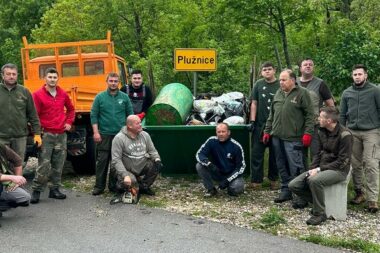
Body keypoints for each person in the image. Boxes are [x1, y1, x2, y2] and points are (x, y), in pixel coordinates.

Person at [289, 107, 353, 225]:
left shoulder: (345, 135)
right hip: (322, 167)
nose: (318, 119)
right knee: (294, 185)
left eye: (321, 117)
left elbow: (342, 161)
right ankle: (318, 201)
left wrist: (319, 170)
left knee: (314, 181)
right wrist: (312, 169)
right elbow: (317, 153)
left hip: (339, 170)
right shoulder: (321, 131)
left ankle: (319, 213)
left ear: (328, 121)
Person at [264, 69, 314, 203]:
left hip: (294, 138)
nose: (281, 82)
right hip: (277, 137)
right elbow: (272, 115)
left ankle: (301, 195)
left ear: (292, 80)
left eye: (283, 80)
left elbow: (310, 115)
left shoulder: (302, 93)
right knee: (281, 165)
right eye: (280, 79)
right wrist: (267, 131)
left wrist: (308, 133)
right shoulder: (278, 93)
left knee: (297, 167)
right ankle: (286, 190)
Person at [30, 68, 75, 204]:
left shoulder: (62, 93)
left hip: (61, 135)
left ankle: (54, 189)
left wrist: (68, 122)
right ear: (45, 78)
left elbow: (71, 109)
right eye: (50, 77)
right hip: (46, 134)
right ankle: (36, 190)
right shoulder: (37, 95)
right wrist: (37, 134)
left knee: (58, 164)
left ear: (58, 79)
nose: (52, 79)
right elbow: (34, 116)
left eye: (55, 77)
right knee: (44, 164)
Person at [340, 64, 380, 213]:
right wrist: (342, 132)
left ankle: (372, 199)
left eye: (360, 74)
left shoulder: (375, 90)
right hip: (352, 131)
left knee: (371, 163)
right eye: (355, 74)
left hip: (372, 131)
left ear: (366, 75)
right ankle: (359, 192)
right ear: (352, 76)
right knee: (355, 164)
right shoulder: (347, 93)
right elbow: (343, 115)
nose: (357, 77)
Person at [91, 73, 133, 196]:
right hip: (103, 134)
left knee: (116, 161)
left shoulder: (125, 97)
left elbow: (130, 116)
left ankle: (113, 186)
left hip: (120, 135)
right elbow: (94, 115)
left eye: (115, 81)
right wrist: (96, 132)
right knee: (102, 161)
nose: (113, 83)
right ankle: (99, 186)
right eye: (111, 80)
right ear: (107, 81)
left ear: (119, 82)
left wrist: (129, 132)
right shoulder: (100, 97)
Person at [110, 115, 162, 204]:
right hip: (125, 168)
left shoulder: (145, 135)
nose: (141, 125)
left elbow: (152, 151)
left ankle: (143, 187)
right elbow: (116, 160)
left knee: (157, 165)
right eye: (138, 123)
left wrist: (157, 159)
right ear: (130, 126)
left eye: (140, 122)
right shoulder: (119, 138)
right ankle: (120, 187)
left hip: (140, 165)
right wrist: (125, 175)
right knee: (131, 181)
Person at [0, 63, 41, 160]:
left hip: (20, 137)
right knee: (2, 167)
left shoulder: (24, 91)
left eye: (14, 74)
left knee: (18, 164)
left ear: (17, 75)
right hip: (1, 137)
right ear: (2, 75)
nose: (11, 76)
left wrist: (37, 134)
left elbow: (33, 114)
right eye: (8, 74)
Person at [249, 62, 279, 190]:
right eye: (264, 69)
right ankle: (256, 181)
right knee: (256, 153)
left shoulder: (280, 84)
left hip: (276, 125)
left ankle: (274, 180)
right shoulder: (258, 84)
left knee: (275, 154)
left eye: (269, 69)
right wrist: (252, 120)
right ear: (261, 72)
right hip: (260, 124)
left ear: (274, 70)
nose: (267, 71)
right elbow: (254, 103)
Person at [297, 58, 335, 160]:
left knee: (316, 153)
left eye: (310, 64)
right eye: (305, 64)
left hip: (315, 125)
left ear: (313, 68)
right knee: (298, 154)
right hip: (296, 125)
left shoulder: (320, 83)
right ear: (300, 68)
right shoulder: (294, 82)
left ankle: (316, 175)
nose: (308, 66)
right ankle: (302, 175)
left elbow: (331, 105)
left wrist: (325, 119)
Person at [196, 122, 245, 197]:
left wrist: (227, 180)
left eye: (223, 131)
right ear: (216, 132)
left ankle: (230, 187)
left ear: (228, 132)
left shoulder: (236, 146)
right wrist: (209, 164)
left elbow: (241, 168)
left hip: (231, 175)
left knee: (234, 190)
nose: (221, 134)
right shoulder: (211, 141)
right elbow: (199, 154)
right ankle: (211, 189)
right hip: (216, 172)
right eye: (219, 132)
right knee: (199, 166)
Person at [0, 143, 31, 214]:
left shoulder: (1, 146)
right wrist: (12, 177)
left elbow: (17, 160)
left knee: (25, 197)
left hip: (2, 182)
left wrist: (17, 182)